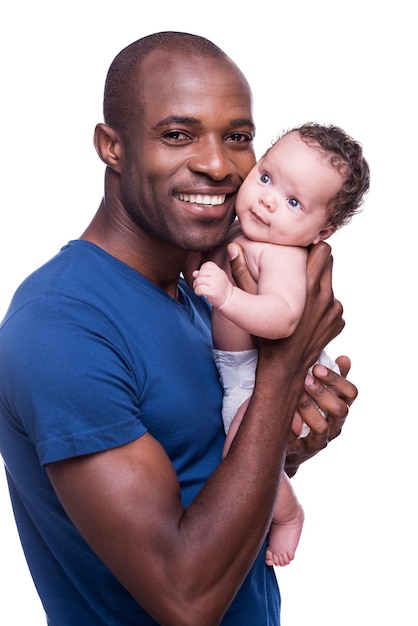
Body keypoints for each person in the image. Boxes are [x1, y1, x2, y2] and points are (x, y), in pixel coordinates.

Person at [0, 32, 358, 625]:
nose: (218, 164)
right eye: (177, 135)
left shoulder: (209, 292)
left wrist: (287, 442)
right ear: (111, 147)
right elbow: (185, 599)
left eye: (238, 137)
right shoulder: (60, 326)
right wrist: (283, 370)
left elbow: (200, 471)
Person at [190, 122, 370, 567]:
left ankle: (288, 515)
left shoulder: (283, 256)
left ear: (320, 232)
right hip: (244, 374)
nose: (268, 200)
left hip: (267, 381)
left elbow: (284, 316)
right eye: (267, 177)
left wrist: (230, 296)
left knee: (240, 453)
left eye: (294, 202)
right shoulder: (244, 234)